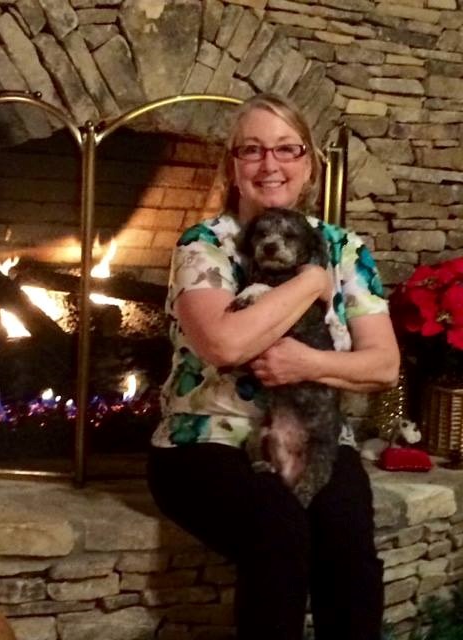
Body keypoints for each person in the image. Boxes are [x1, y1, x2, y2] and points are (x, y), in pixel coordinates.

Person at [147, 92, 400, 640]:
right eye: (253, 149)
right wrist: (311, 281)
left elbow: (383, 366)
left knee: (347, 538)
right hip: (206, 437)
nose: (271, 164)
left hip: (316, 434)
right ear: (233, 165)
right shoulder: (205, 245)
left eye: (288, 149)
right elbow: (224, 346)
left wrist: (305, 362)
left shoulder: (345, 248)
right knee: (278, 530)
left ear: (309, 165)